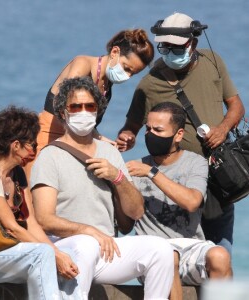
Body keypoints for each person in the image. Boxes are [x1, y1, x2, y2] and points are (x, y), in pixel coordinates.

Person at [31, 76, 174, 300]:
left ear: (97, 111)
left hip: (107, 248)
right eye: (75, 107)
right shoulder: (50, 156)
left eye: (90, 106)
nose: (83, 112)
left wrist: (117, 177)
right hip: (67, 248)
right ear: (62, 113)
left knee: (161, 249)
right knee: (87, 245)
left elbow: (135, 212)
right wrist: (89, 231)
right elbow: (44, 219)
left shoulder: (110, 153)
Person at [116, 12, 245, 255]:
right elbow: (131, 127)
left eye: (177, 47)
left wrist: (222, 128)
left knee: (220, 251)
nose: (171, 52)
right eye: (165, 47)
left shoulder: (213, 61)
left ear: (193, 42)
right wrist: (127, 137)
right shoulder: (149, 84)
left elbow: (236, 105)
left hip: (217, 175)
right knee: (178, 252)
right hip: (176, 181)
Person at [0, 106, 83, 300]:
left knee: (67, 253)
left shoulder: (17, 174)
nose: (35, 152)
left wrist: (59, 254)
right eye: (33, 146)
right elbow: (12, 227)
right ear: (16, 145)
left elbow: (30, 223)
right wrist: (53, 254)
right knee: (44, 254)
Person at [127, 102, 232, 300]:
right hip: (152, 251)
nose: (150, 135)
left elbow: (192, 201)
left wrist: (152, 173)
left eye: (158, 130)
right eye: (148, 129)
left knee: (221, 256)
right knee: (168, 255)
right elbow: (126, 222)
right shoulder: (135, 168)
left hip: (190, 248)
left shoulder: (195, 163)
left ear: (179, 135)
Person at [24, 29, 155, 182]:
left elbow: (84, 121)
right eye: (126, 68)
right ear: (114, 52)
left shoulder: (107, 84)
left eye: (133, 74)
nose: (127, 76)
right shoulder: (83, 64)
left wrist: (107, 141)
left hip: (76, 144)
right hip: (46, 140)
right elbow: (70, 108)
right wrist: (97, 137)